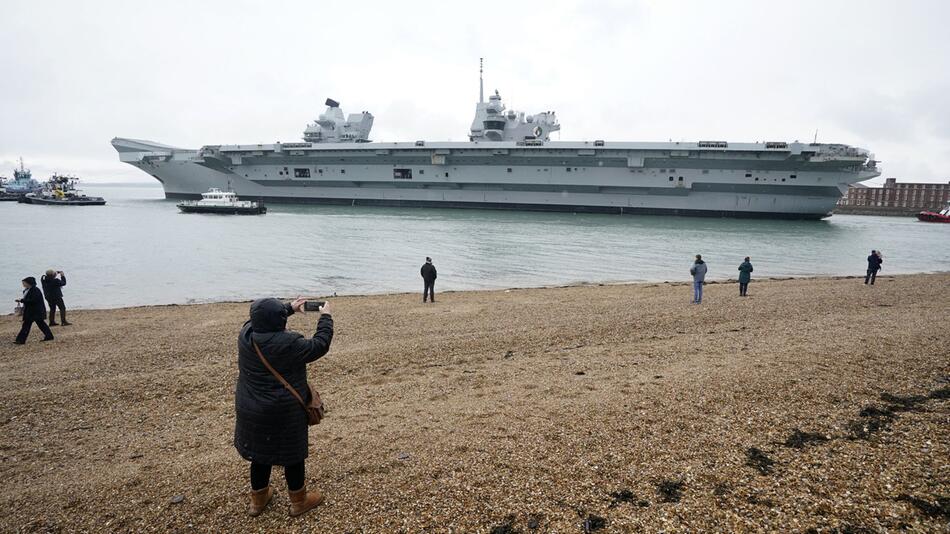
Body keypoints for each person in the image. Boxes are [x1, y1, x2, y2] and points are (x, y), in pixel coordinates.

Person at [234, 297, 334, 517]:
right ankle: (299, 501)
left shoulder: (246, 336)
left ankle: (258, 501)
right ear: (278, 321)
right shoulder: (290, 344)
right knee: (292, 454)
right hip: (283, 410)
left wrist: (289, 309)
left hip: (251, 407)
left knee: (259, 453)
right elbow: (320, 344)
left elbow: (254, 321)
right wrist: (325, 317)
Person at [14, 277, 54, 344]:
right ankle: (49, 336)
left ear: (28, 283)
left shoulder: (35, 290)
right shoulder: (27, 290)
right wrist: (22, 300)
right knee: (36, 325)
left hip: (36, 311)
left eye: (24, 283)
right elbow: (29, 299)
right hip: (31, 311)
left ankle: (20, 340)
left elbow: (34, 300)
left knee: (30, 325)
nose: (23, 284)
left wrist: (22, 300)